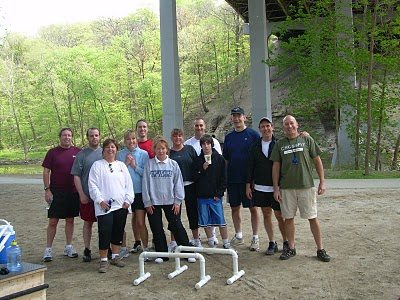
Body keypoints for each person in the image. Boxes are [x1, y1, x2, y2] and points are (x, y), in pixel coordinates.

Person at [271, 115, 331, 262]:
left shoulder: (306, 140)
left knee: (312, 217)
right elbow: (276, 167)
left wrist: (322, 181)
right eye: (286, 124)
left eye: (292, 123)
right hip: (286, 188)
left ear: (297, 125)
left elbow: (317, 161)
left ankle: (320, 249)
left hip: (306, 186)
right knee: (288, 218)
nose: (289, 126)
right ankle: (291, 248)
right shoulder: (280, 144)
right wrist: (276, 188)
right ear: (283, 127)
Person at [142, 137, 192, 263]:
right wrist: (147, 202)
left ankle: (187, 252)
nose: (161, 151)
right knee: (156, 227)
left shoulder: (173, 164)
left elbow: (178, 183)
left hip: (171, 201)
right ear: (154, 150)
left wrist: (178, 201)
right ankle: (162, 254)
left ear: (167, 150)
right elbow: (145, 184)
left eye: (163, 148)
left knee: (176, 225)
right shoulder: (149, 164)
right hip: (154, 202)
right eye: (158, 148)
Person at [88, 139, 135, 273]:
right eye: (107, 147)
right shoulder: (97, 165)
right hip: (105, 207)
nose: (110, 149)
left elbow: (128, 185)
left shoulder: (121, 165)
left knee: (118, 231)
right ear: (103, 150)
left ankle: (115, 256)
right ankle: (103, 260)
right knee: (104, 232)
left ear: (116, 150)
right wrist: (100, 200)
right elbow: (92, 185)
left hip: (121, 206)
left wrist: (128, 200)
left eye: (113, 147)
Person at [246, 117, 287, 255]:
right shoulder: (254, 147)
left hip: (277, 188)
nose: (266, 129)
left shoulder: (280, 144)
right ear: (260, 130)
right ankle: (272, 242)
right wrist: (248, 185)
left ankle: (286, 242)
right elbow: (250, 167)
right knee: (266, 214)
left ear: (272, 127)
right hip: (260, 187)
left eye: (268, 126)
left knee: (280, 215)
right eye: (263, 126)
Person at [223, 107, 260, 251]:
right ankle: (239, 235)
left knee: (253, 208)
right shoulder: (229, 137)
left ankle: (255, 237)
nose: (236, 119)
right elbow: (226, 159)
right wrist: (224, 178)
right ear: (231, 119)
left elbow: (258, 156)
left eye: (239, 116)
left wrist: (254, 179)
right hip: (233, 179)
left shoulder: (253, 135)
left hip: (249, 180)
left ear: (244, 117)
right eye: (234, 116)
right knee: (234, 208)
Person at [42, 127, 81, 262]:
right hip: (56, 192)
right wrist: (47, 189)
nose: (67, 137)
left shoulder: (78, 152)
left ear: (72, 137)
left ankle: (68, 246)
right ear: (60, 137)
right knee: (53, 221)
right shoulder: (52, 153)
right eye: (64, 135)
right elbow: (46, 172)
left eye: (69, 135)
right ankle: (48, 249)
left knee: (70, 219)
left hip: (73, 192)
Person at [184, 117, 221, 244]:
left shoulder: (214, 141)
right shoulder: (188, 143)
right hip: (194, 183)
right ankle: (196, 237)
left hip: (210, 184)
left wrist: (218, 188)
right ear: (193, 127)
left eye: (201, 125)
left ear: (205, 126)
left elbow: (219, 163)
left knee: (211, 209)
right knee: (196, 210)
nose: (199, 128)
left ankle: (213, 235)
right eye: (196, 126)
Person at [193, 134, 232, 249]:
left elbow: (224, 178)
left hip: (215, 196)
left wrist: (219, 193)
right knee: (205, 221)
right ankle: (211, 241)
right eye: (204, 144)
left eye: (208, 143)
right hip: (202, 196)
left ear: (212, 145)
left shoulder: (219, 159)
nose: (206, 146)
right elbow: (194, 177)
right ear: (201, 146)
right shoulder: (197, 160)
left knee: (220, 220)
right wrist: (202, 169)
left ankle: (226, 242)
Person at [71, 127, 102, 263]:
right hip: (88, 196)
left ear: (99, 136)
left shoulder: (106, 151)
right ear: (87, 138)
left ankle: (106, 248)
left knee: (104, 224)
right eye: (91, 136)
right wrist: (81, 194)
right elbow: (76, 176)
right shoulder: (82, 155)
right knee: (88, 223)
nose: (94, 138)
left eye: (96, 135)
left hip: (104, 197)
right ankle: (87, 249)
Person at [117, 130, 150, 256]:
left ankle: (146, 248)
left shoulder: (143, 154)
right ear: (124, 141)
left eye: (133, 139)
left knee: (140, 221)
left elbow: (146, 174)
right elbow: (117, 173)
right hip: (124, 193)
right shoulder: (120, 155)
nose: (131, 141)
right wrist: (126, 164)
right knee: (122, 221)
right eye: (128, 139)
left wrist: (135, 166)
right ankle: (125, 246)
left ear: (136, 140)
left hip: (139, 192)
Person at [169, 128, 200, 249]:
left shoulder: (189, 149)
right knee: (174, 214)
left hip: (190, 185)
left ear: (183, 137)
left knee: (192, 212)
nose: (177, 138)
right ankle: (173, 241)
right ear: (172, 138)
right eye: (175, 136)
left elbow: (197, 165)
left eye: (180, 136)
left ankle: (196, 238)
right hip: (175, 187)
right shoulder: (169, 152)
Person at [131, 119, 154, 252]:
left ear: (147, 128)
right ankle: (137, 241)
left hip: (150, 185)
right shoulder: (132, 145)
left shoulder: (151, 145)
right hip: (134, 189)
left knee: (152, 215)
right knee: (136, 217)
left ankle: (155, 239)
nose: (142, 129)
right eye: (140, 127)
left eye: (144, 127)